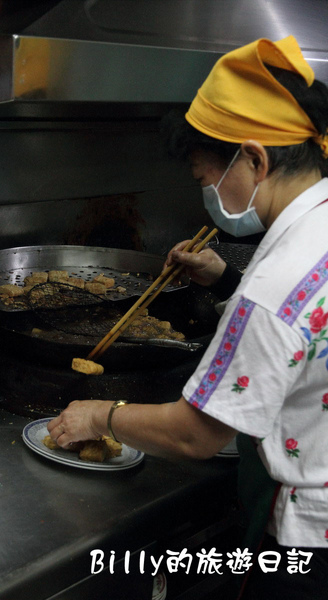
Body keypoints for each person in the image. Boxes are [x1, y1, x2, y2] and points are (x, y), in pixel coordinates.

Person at [48, 36, 328, 598]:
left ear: (254, 158)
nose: (207, 195)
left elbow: (197, 434)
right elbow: (305, 331)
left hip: (306, 541)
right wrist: (224, 279)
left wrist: (101, 415)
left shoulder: (276, 285)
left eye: (206, 180)